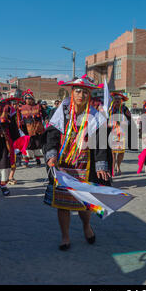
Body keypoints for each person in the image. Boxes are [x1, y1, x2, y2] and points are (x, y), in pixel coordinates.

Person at [43, 76, 110, 251]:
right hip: (63, 163)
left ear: (89, 94)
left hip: (84, 164)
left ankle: (86, 226)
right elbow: (52, 134)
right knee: (63, 203)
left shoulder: (95, 115)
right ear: (72, 92)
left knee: (84, 202)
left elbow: (101, 141)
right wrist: (51, 155)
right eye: (78, 91)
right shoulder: (63, 109)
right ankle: (65, 236)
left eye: (85, 91)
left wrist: (101, 164)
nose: (81, 94)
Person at [17, 90, 45, 167]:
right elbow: (19, 119)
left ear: (33, 99)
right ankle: (26, 161)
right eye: (26, 98)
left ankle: (38, 160)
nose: (28, 100)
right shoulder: (21, 108)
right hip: (27, 129)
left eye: (30, 98)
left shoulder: (38, 106)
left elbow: (45, 116)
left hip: (37, 129)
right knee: (28, 145)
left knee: (37, 144)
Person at [108, 92, 133, 176]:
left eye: (119, 99)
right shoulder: (110, 109)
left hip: (122, 133)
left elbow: (130, 120)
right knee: (113, 153)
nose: (117, 100)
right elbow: (105, 120)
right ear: (113, 100)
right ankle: (112, 167)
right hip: (112, 133)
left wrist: (125, 122)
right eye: (116, 99)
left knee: (121, 152)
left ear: (121, 100)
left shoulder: (125, 109)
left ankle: (118, 166)